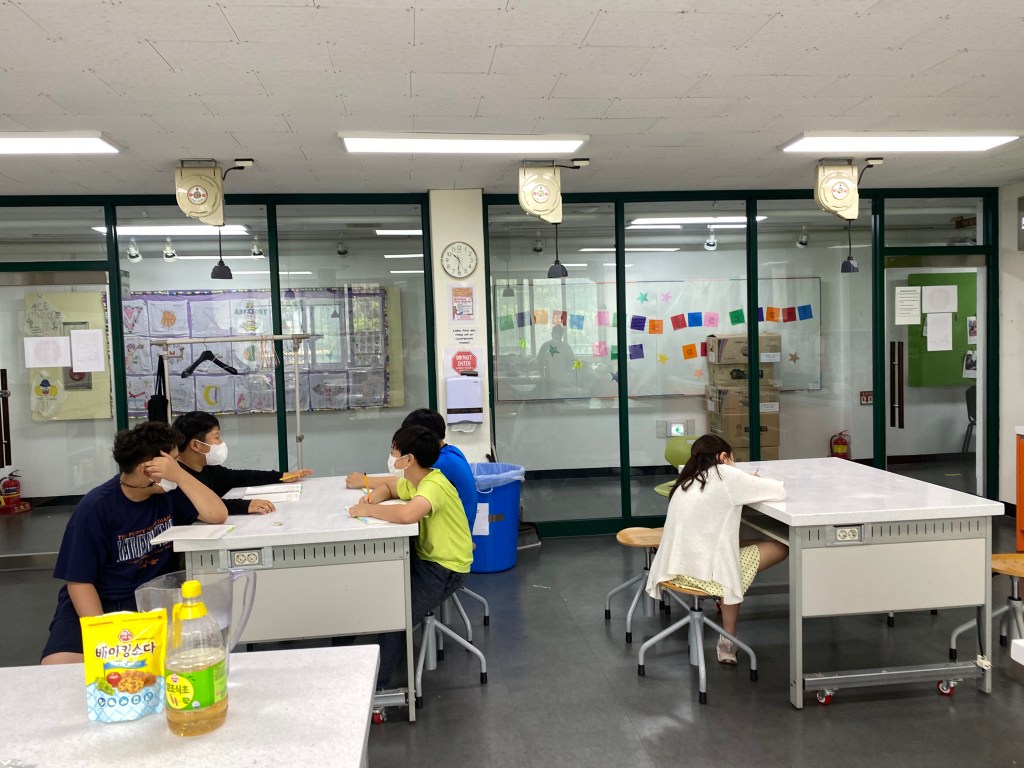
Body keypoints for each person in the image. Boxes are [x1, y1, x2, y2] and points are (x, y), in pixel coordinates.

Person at [40, 421, 229, 665]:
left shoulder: (169, 492)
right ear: (146, 469)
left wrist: (180, 476)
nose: (176, 468)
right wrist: (104, 636)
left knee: (176, 661)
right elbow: (79, 582)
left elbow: (217, 514)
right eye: (172, 463)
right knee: (59, 666)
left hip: (150, 600)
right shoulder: (96, 508)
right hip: (100, 601)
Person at [348, 425, 473, 689]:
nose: (391, 457)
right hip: (427, 559)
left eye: (394, 452)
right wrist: (373, 498)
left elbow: (407, 515)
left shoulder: (434, 484)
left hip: (445, 568)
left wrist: (368, 511)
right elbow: (391, 487)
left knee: (395, 615)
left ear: (409, 459)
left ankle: (377, 689)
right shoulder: (418, 480)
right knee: (372, 586)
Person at [645, 433, 787, 664]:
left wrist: (742, 481)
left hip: (673, 569)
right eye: (732, 458)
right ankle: (728, 639)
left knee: (732, 552)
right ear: (723, 457)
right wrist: (744, 478)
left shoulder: (688, 479)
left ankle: (726, 625)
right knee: (780, 546)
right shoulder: (726, 474)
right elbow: (777, 490)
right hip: (704, 576)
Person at [346, 408, 477, 525]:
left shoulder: (437, 465)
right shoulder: (451, 451)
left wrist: (365, 482)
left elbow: (406, 513)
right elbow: (395, 485)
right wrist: (373, 497)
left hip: (453, 535)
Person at [172, 411, 312, 515]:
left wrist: (282, 476)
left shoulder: (208, 468)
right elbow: (201, 505)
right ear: (196, 445)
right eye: (217, 437)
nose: (221, 443)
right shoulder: (176, 476)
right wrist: (245, 506)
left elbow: (241, 477)